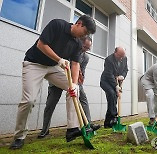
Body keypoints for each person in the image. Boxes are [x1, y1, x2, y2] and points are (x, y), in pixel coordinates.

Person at [9, 15, 96, 149]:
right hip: (34, 64)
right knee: (29, 100)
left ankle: (72, 129)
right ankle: (19, 136)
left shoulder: (78, 43)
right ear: (79, 23)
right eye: (84, 32)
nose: (84, 37)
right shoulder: (57, 25)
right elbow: (41, 45)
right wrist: (59, 59)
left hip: (53, 67)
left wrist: (73, 84)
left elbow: (75, 64)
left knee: (74, 89)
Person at [37, 36, 100, 140]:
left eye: (88, 48)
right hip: (58, 78)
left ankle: (88, 125)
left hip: (73, 81)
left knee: (83, 98)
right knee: (50, 104)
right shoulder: (70, 49)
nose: (85, 49)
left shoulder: (85, 57)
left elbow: (81, 71)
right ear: (80, 43)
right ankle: (45, 130)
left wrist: (79, 79)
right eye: (84, 46)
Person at [100, 47, 128, 128]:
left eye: (123, 56)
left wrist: (122, 76)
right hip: (106, 82)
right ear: (115, 52)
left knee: (112, 100)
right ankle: (114, 116)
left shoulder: (124, 58)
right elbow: (109, 75)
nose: (121, 58)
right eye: (120, 56)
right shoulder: (109, 60)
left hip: (117, 82)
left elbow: (126, 69)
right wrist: (116, 86)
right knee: (112, 94)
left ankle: (107, 124)